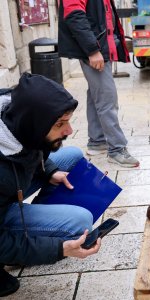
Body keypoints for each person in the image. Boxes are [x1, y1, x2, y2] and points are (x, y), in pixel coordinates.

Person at [0, 73, 101, 297]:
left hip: (8, 187)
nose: (69, 131)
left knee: (72, 155)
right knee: (81, 222)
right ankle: (14, 249)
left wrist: (50, 171)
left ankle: (37, 220)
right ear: (33, 125)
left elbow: (32, 148)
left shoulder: (19, 119)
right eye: (60, 124)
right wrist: (58, 249)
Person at [58, 0, 140, 168]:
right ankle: (116, 149)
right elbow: (74, 16)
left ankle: (97, 141)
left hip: (101, 48)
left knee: (96, 94)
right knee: (107, 98)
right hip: (94, 50)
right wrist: (92, 50)